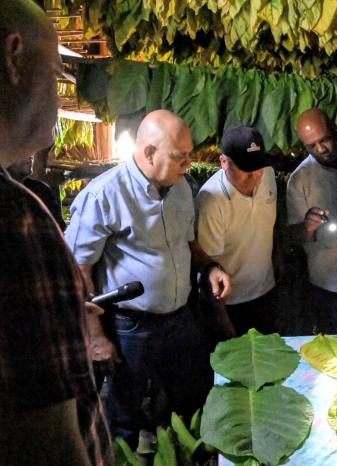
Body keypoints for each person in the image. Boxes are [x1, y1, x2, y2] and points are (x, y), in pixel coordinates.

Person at [65, 109, 233, 445]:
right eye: (179, 157)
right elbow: (76, 269)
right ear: (149, 152)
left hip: (180, 318)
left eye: (189, 155)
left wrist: (211, 267)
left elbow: (188, 244)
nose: (188, 164)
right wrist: (96, 336)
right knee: (125, 411)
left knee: (190, 399)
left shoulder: (183, 188)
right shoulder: (104, 195)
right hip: (130, 326)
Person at [0, 1, 111, 464]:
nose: (62, 90)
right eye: (56, 72)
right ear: (13, 56)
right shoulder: (14, 220)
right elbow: (45, 440)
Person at [196, 125, 278, 338]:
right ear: (224, 162)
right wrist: (222, 318)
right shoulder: (211, 201)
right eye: (245, 169)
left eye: (258, 167)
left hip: (266, 292)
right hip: (231, 304)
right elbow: (208, 266)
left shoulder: (267, 175)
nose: (254, 176)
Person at [287, 108, 337, 334]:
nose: (321, 149)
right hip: (328, 286)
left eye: (325, 140)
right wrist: (307, 227)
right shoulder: (300, 179)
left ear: (336, 130)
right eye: (312, 146)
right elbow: (294, 237)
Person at [7, 152, 66, 229]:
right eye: (23, 147)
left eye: (32, 148)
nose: (31, 154)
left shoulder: (41, 189)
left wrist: (55, 187)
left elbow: (59, 228)